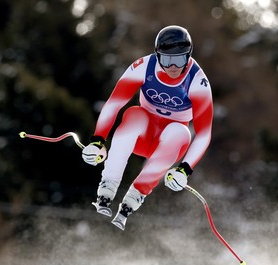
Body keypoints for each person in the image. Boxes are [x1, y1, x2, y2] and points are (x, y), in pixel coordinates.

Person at [81, 25, 214, 230]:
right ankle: (108, 185)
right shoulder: (143, 67)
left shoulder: (197, 81)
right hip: (142, 134)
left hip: (168, 144)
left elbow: (204, 133)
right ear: (156, 55)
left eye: (180, 59)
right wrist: (98, 140)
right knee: (134, 114)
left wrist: (185, 169)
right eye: (167, 59)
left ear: (189, 56)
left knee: (181, 132)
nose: (173, 67)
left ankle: (137, 194)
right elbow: (114, 104)